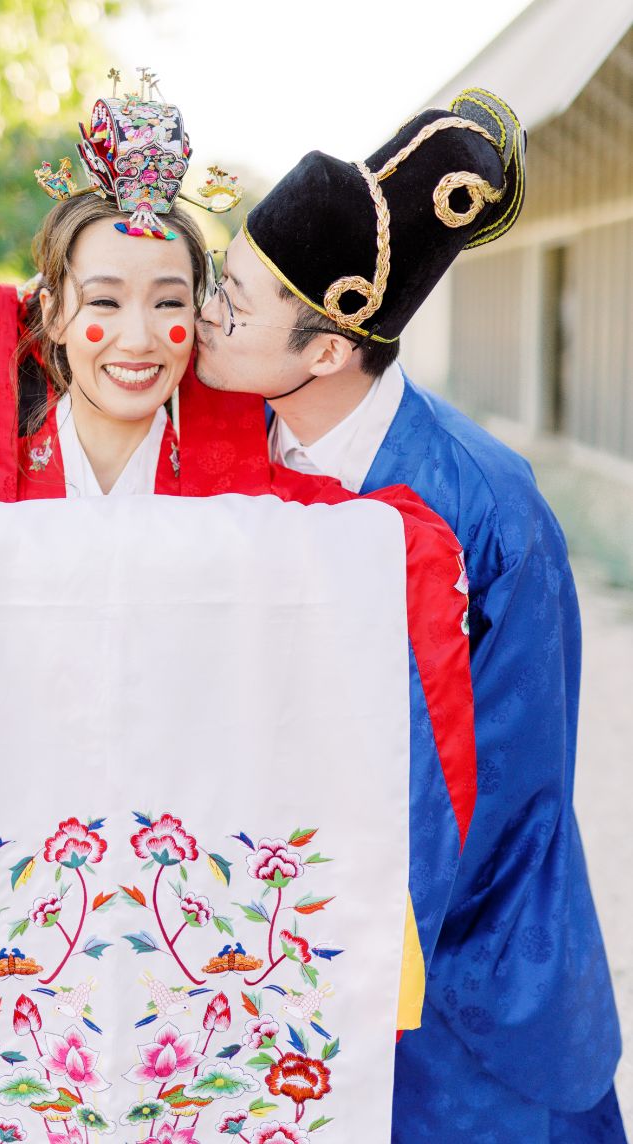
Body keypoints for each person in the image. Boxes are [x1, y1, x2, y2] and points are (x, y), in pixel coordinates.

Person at [0, 82, 479, 1123]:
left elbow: (409, 563)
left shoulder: (261, 501)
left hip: (187, 918)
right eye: (103, 300)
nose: (136, 335)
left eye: (168, 301)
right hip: (24, 912)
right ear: (51, 312)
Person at [195, 87, 627, 1140]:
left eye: (234, 302)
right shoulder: (225, 453)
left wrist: (341, 946)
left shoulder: (490, 509)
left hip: (461, 977)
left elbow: (515, 793)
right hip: (273, 958)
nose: (204, 312)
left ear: (329, 347)